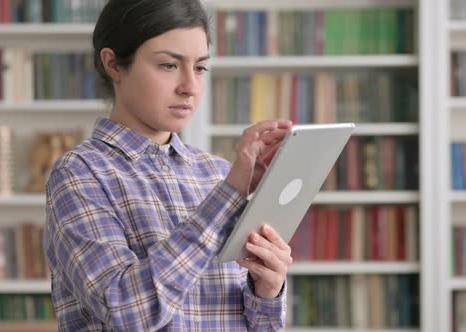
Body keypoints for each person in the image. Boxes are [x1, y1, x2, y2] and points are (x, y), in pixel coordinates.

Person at [43, 0, 294, 331]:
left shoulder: (217, 173)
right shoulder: (79, 174)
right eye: (168, 65)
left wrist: (267, 292)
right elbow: (129, 312)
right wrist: (230, 194)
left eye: (200, 67)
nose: (190, 86)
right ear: (113, 64)